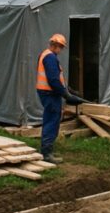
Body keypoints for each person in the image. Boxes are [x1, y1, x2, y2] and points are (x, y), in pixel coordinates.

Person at [36, 33, 84, 164]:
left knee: (50, 120)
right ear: (56, 45)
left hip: (47, 93)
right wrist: (66, 95)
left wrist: (68, 89)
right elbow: (53, 80)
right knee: (52, 121)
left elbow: (55, 79)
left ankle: (47, 149)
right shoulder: (50, 57)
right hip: (50, 94)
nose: (61, 50)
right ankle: (47, 153)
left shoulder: (44, 54)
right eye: (61, 47)